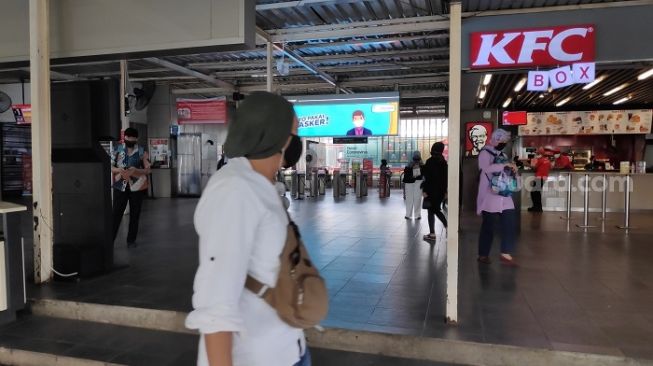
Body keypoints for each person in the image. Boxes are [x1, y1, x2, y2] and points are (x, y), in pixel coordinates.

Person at [185, 92, 310, 366]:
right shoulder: (235, 191)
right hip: (258, 356)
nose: (295, 143)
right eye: (294, 134)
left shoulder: (257, 185)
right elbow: (216, 299)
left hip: (285, 345)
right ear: (274, 136)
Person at [476, 129, 518, 266]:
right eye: (502, 141)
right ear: (495, 139)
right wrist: (503, 165)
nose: (503, 143)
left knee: (509, 223)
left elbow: (505, 171)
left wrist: (512, 169)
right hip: (490, 195)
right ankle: (483, 254)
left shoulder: (504, 155)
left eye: (505, 141)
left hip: (504, 195)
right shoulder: (484, 153)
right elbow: (485, 168)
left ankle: (505, 252)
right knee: (488, 226)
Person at [111, 127, 151, 247]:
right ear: (125, 138)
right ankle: (110, 240)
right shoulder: (117, 150)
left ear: (136, 139)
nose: (131, 140)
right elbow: (110, 167)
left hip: (137, 187)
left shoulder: (142, 152)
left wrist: (136, 170)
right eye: (128, 138)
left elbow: (148, 170)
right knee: (116, 214)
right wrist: (119, 169)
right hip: (120, 185)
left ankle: (131, 240)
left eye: (133, 138)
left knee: (135, 214)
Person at [421, 142, 447, 242]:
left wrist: (424, 190)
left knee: (432, 211)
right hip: (440, 191)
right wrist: (445, 191)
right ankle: (433, 233)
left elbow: (426, 178)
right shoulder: (443, 162)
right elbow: (445, 179)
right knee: (434, 209)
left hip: (430, 191)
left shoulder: (429, 161)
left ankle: (445, 227)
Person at [528, 147, 552, 212]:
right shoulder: (547, 160)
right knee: (536, 192)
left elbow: (535, 168)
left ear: (540, 154)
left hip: (539, 177)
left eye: (537, 153)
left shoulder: (540, 160)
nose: (536, 154)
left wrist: (528, 165)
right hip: (544, 177)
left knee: (534, 192)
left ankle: (537, 208)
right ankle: (537, 207)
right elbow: (550, 167)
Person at [402, 151, 423, 220]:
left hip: (417, 182)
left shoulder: (422, 164)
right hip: (410, 182)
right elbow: (406, 173)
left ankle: (416, 215)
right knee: (410, 199)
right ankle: (409, 214)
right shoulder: (409, 164)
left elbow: (424, 173)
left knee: (417, 198)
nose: (416, 158)